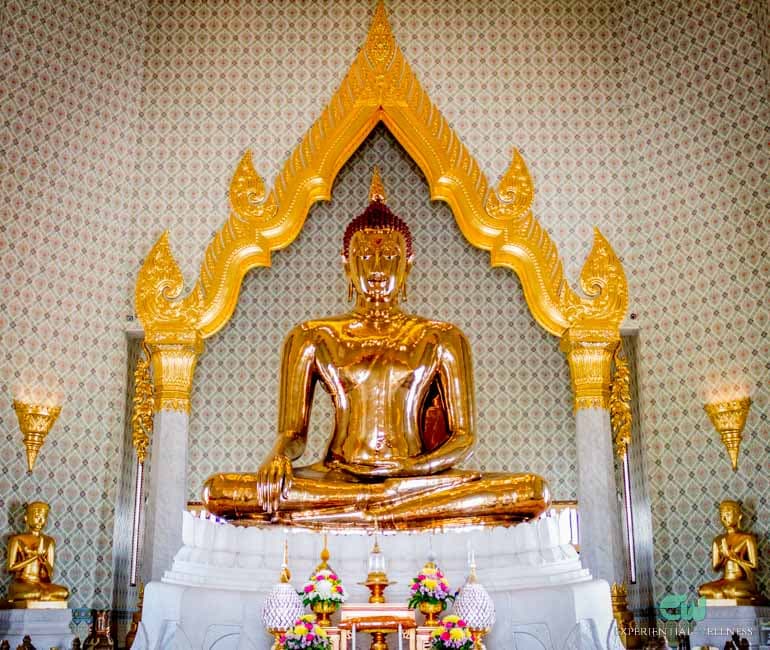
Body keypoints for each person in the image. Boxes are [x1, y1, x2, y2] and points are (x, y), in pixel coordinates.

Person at [203, 172, 549, 529]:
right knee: (219, 491)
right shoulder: (313, 336)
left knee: (531, 492)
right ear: (346, 264)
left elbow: (464, 437)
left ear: (408, 263)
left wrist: (410, 470)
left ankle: (369, 509)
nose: (377, 267)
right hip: (338, 478)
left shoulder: (442, 337)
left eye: (389, 256)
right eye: (365, 255)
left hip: (414, 480)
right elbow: (293, 434)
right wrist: (277, 459)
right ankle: (379, 509)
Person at [698, 499, 767, 603]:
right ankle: (722, 595)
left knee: (731, 591)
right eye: (722, 514)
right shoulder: (717, 540)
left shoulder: (747, 538)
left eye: (728, 513)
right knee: (702, 590)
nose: (724, 517)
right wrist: (724, 557)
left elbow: (754, 566)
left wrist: (735, 558)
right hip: (725, 581)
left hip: (743, 581)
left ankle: (749, 595)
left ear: (739, 516)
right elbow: (716, 568)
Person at [5, 501, 69, 604]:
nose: (40, 521)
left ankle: (42, 594)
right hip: (22, 582)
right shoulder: (17, 539)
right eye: (36, 516)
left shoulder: (49, 541)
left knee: (64, 592)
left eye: (44, 517)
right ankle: (20, 595)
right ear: (26, 518)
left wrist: (44, 562)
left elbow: (50, 573)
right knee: (36, 593)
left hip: (41, 584)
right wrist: (33, 557)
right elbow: (11, 568)